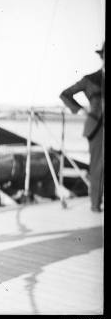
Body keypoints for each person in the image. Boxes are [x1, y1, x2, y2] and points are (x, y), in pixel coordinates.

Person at [60, 42, 104, 212]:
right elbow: (65, 94)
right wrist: (80, 110)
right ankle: (95, 204)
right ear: (102, 57)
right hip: (97, 129)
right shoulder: (90, 79)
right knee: (98, 166)